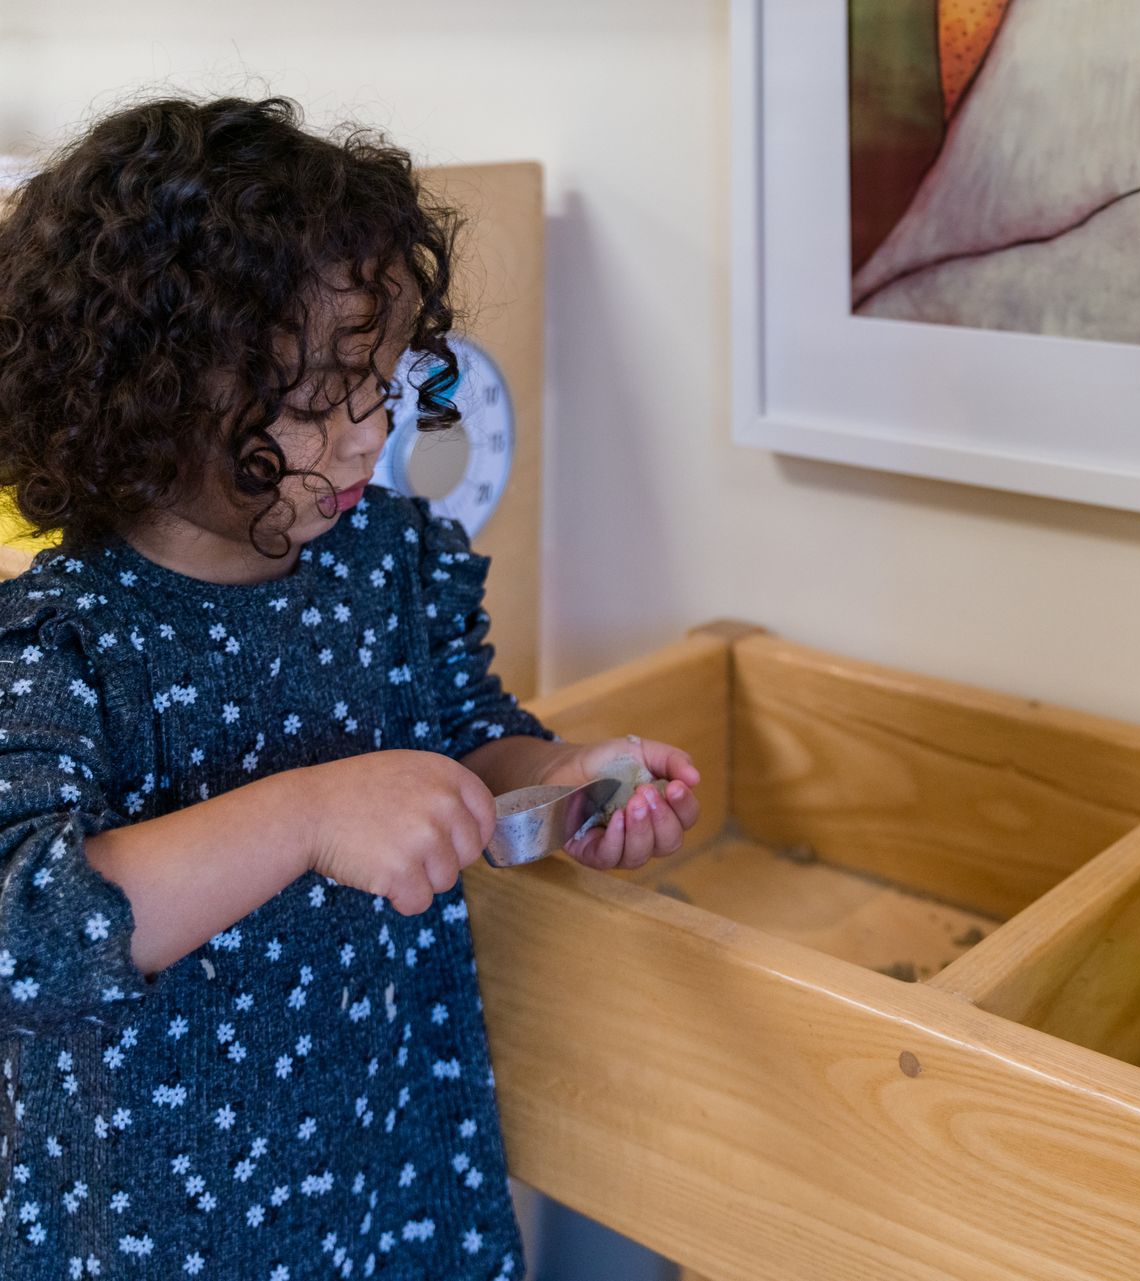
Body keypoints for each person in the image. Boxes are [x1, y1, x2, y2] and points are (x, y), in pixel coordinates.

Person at [0, 95, 699, 1280]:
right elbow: (27, 933)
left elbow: (472, 735)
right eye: (320, 399)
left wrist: (561, 780)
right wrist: (310, 814)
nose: (368, 437)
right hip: (160, 1222)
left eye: (382, 386)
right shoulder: (62, 639)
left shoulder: (389, 563)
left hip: (393, 1159)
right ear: (146, 392)